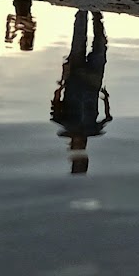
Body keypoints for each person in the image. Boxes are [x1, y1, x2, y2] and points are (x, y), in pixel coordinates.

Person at [51, 10, 111, 174]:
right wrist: (105, 99)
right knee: (100, 46)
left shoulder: (66, 126)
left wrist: (62, 82)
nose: (79, 145)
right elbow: (108, 118)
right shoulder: (93, 130)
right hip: (93, 82)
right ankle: (97, 16)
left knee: (78, 43)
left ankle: (82, 12)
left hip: (74, 80)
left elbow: (55, 105)